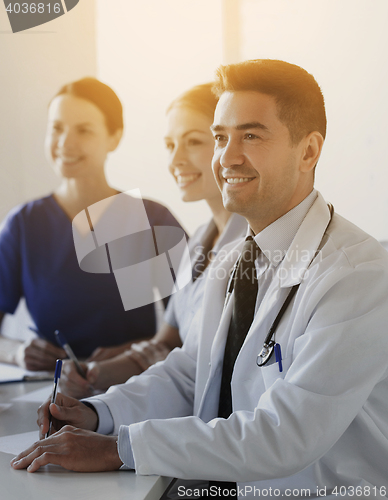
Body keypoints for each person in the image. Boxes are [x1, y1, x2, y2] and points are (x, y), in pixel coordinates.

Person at [11, 60, 388, 498]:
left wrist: (120, 447)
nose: (226, 157)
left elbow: (287, 435)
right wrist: (97, 413)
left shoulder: (358, 275)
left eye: (250, 135)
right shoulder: (231, 260)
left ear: (308, 151)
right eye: (220, 138)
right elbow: (191, 373)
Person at [59, 83, 247, 399]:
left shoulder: (255, 244)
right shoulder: (201, 238)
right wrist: (95, 373)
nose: (176, 160)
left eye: (193, 142)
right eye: (170, 145)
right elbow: (166, 343)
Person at [0, 77, 184, 371]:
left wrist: (137, 353)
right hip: (52, 389)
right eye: (56, 128)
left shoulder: (152, 220)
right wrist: (17, 352)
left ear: (115, 137)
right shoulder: (24, 225)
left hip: (135, 385)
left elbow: (197, 318)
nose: (65, 143)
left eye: (84, 130)